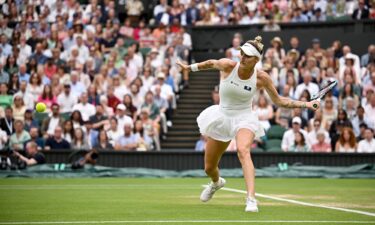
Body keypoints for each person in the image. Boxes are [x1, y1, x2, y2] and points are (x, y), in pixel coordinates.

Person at [176, 36, 319, 212]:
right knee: (209, 168)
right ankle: (216, 183)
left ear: (256, 60)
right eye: (242, 53)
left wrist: (305, 104)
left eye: (248, 56)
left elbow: (279, 101)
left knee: (243, 151)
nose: (242, 58)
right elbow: (211, 63)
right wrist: (189, 68)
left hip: (245, 118)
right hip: (222, 117)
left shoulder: (262, 78)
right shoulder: (228, 65)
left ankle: (251, 199)